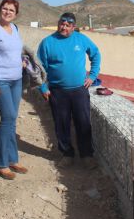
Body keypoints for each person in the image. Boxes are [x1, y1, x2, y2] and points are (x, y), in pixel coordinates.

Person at [37, 12, 101, 169]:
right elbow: (39, 68)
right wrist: (43, 87)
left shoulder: (81, 39)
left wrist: (92, 75)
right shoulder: (47, 42)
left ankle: (87, 155)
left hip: (79, 90)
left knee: (83, 123)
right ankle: (67, 154)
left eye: (67, 25)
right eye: (61, 24)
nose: (63, 27)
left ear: (73, 27)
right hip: (57, 92)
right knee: (61, 124)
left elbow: (96, 54)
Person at [0, 0, 27, 180]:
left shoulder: (15, 29)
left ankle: (12, 158)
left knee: (12, 119)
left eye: (11, 10)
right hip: (0, 81)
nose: (7, 12)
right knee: (7, 118)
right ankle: (0, 162)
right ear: (0, 9)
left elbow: (15, 51)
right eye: (5, 8)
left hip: (17, 80)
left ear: (16, 14)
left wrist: (21, 62)